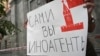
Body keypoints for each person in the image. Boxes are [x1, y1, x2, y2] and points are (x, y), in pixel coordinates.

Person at [24, 0, 97, 56]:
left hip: (84, 50)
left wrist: (88, 15)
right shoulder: (45, 12)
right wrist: (33, 27)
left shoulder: (74, 2)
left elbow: (91, 29)